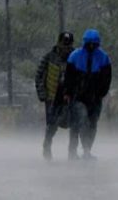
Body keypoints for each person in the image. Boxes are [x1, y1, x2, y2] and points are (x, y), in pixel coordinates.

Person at [63, 29, 112, 160]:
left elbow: (107, 79)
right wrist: (68, 92)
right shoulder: (75, 56)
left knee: (93, 123)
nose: (91, 46)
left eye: (94, 44)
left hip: (95, 98)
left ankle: (86, 150)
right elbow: (68, 77)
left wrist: (102, 93)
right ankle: (75, 150)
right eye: (89, 43)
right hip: (77, 97)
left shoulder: (103, 58)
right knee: (81, 121)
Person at [35, 31, 74, 161]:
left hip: (70, 96)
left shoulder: (75, 57)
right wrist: (43, 94)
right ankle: (47, 145)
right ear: (58, 43)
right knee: (52, 124)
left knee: (74, 124)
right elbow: (39, 75)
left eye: (68, 46)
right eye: (64, 45)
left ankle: (72, 151)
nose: (66, 49)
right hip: (52, 96)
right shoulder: (48, 57)